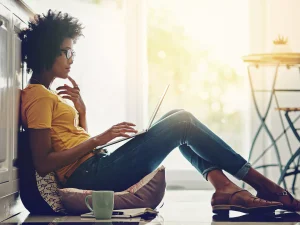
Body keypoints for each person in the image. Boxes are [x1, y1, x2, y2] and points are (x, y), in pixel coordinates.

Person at [20, 10, 299, 214]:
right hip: (92, 174)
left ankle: (224, 187)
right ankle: (261, 183)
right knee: (182, 122)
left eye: (73, 54)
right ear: (47, 52)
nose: (71, 60)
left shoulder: (45, 95)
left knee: (178, 118)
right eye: (67, 53)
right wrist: (99, 139)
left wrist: (82, 113)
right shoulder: (38, 96)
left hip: (96, 166)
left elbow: (71, 143)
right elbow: (44, 163)